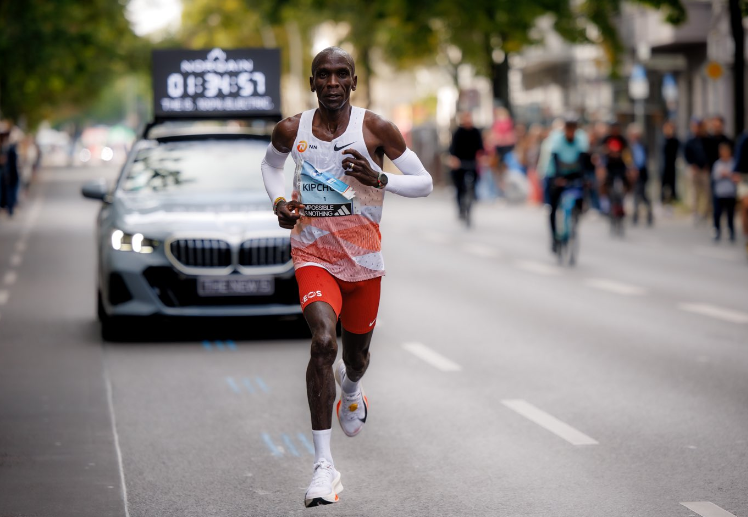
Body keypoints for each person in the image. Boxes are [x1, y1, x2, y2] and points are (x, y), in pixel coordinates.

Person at [259, 47, 433, 508]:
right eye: (323, 75)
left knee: (355, 358)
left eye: (341, 74)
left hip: (364, 264)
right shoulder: (291, 129)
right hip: (312, 254)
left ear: (354, 81)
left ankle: (352, 390)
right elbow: (271, 165)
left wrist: (379, 178)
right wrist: (280, 204)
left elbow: (425, 182)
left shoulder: (375, 128)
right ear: (312, 81)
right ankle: (323, 469)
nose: (332, 82)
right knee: (323, 343)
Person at [546, 115, 590, 251]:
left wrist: (584, 178)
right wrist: (558, 177)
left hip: (574, 173)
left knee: (581, 194)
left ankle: (575, 217)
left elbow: (583, 160)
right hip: (557, 172)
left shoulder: (581, 139)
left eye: (573, 128)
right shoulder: (557, 139)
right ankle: (554, 237)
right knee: (553, 207)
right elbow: (555, 158)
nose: (571, 131)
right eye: (568, 128)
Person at [448, 112, 484, 221]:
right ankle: (460, 208)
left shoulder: (476, 132)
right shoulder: (458, 132)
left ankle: (472, 199)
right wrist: (454, 160)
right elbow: (452, 149)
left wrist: (481, 159)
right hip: (460, 163)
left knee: (474, 182)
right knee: (459, 186)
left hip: (472, 162)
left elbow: (480, 149)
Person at [684, 118, 710, 224]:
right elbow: (686, 154)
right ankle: (695, 213)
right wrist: (691, 165)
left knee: (706, 192)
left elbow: (710, 153)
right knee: (694, 192)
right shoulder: (690, 140)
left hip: (704, 169)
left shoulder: (706, 139)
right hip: (694, 169)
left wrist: (707, 165)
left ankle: (704, 213)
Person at [627, 123, 653, 226]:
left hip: (641, 173)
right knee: (637, 194)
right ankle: (636, 215)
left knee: (640, 194)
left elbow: (643, 159)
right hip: (632, 173)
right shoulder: (629, 146)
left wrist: (637, 168)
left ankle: (642, 214)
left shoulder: (642, 145)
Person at [711, 141, 737, 241]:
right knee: (717, 213)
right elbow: (715, 176)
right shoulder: (717, 164)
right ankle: (717, 231)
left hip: (730, 193)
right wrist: (727, 174)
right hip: (720, 193)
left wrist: (728, 174)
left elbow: (736, 176)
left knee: (730, 214)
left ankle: (731, 232)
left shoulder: (734, 163)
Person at [732, 133, 748, 254]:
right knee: (746, 206)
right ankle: (746, 236)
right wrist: (735, 172)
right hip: (745, 178)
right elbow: (738, 158)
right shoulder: (744, 139)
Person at [660, 120, 680, 204]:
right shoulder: (662, 139)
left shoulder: (675, 140)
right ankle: (663, 200)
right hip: (663, 167)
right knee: (663, 186)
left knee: (672, 185)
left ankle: (672, 199)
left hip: (672, 166)